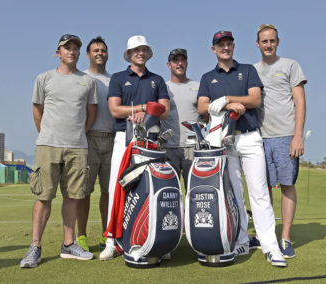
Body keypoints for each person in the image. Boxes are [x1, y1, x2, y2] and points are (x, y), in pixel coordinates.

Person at [197, 30, 287, 267]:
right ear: (213, 50)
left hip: (249, 138)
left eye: (228, 44)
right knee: (234, 196)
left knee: (259, 193)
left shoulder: (247, 70)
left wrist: (226, 98)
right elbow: (202, 107)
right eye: (220, 45)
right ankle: (240, 242)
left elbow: (255, 99)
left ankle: (271, 246)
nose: (225, 48)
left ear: (233, 46)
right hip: (224, 142)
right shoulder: (208, 77)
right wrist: (229, 105)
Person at [20, 34, 97, 268]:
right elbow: (37, 109)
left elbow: (91, 113)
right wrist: (47, 134)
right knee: (43, 197)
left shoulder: (88, 81)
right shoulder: (44, 78)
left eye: (75, 48)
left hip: (77, 147)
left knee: (73, 196)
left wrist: (77, 134)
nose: (71, 52)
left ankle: (68, 244)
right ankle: (35, 247)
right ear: (58, 52)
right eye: (66, 48)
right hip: (48, 145)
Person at [99, 35, 170, 260]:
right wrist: (140, 108)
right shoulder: (119, 78)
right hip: (124, 138)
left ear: (148, 53)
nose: (140, 53)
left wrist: (144, 112)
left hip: (151, 139)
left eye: (144, 49)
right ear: (129, 54)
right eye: (136, 50)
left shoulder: (157, 80)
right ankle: (112, 240)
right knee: (117, 187)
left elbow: (165, 110)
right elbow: (115, 110)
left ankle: (156, 238)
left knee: (151, 187)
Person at [254, 24, 307, 259]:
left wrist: (298, 135)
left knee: (286, 185)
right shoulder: (252, 71)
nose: (268, 45)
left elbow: (300, 103)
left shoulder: (290, 65)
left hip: (286, 137)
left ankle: (285, 238)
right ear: (258, 44)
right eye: (264, 41)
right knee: (263, 189)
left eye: (272, 41)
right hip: (259, 138)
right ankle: (266, 236)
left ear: (278, 42)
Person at [76, 36, 115, 251]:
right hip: (88, 140)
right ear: (88, 54)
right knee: (84, 191)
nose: (99, 53)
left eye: (103, 50)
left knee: (109, 192)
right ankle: (80, 236)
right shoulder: (81, 78)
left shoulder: (115, 80)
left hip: (112, 140)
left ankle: (106, 235)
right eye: (95, 50)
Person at [160, 48, 199, 189]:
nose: (179, 63)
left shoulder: (198, 87)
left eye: (183, 60)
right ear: (169, 65)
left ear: (187, 63)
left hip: (193, 147)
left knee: (194, 190)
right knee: (170, 192)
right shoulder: (162, 87)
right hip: (168, 147)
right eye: (175, 60)